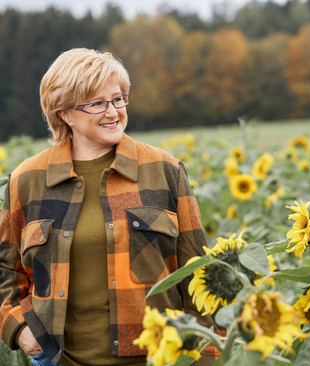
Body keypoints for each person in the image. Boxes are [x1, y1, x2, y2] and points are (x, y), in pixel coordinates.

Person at [0, 48, 219, 366]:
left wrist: (206, 356)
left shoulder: (163, 170)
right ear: (65, 113)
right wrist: (18, 327)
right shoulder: (28, 180)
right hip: (60, 360)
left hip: (158, 359)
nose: (113, 111)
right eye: (97, 103)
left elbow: (199, 271)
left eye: (118, 99)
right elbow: (6, 271)